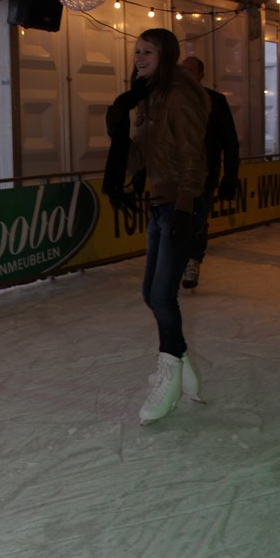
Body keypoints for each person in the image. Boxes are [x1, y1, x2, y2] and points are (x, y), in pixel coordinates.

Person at [103, 29, 210, 425]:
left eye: (148, 51)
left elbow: (193, 157)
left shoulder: (179, 96)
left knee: (163, 296)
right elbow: (141, 162)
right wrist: (117, 130)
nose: (139, 58)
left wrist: (184, 210)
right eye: (136, 51)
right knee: (151, 293)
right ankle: (183, 367)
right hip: (159, 204)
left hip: (181, 204)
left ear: (166, 55)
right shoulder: (148, 98)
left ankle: (170, 376)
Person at [180, 56, 240, 290]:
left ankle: (193, 260)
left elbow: (230, 142)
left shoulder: (215, 102)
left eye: (190, 70)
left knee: (197, 217)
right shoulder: (171, 101)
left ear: (200, 75)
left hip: (204, 173)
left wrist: (230, 177)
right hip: (175, 172)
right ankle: (178, 260)